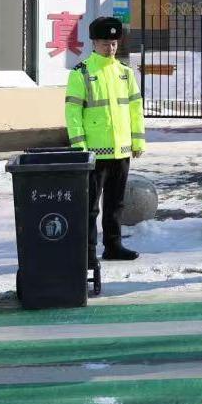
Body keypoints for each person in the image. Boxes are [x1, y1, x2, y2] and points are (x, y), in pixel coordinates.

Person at [65, 16, 145, 263]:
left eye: (113, 43)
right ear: (94, 43)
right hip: (94, 152)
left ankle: (113, 246)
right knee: (90, 206)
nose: (110, 48)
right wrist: (79, 147)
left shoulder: (125, 73)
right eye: (104, 43)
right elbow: (72, 112)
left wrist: (137, 141)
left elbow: (135, 109)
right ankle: (88, 252)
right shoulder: (82, 72)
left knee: (115, 204)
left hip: (121, 151)